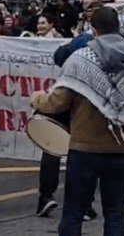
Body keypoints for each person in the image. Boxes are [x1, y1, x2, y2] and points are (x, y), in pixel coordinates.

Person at [31, 6, 124, 236]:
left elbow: (57, 102)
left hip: (84, 149)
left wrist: (37, 98)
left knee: (73, 212)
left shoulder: (80, 60)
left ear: (93, 30)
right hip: (122, 148)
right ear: (119, 27)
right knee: (115, 212)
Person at [35, 29, 99, 221]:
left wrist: (38, 101)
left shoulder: (74, 49)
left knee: (52, 149)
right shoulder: (94, 49)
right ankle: (84, 204)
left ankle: (46, 197)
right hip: (86, 104)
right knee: (84, 155)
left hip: (63, 100)